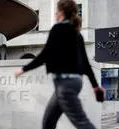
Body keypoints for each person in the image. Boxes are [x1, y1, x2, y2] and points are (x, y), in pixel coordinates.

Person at [14, 0, 105, 128]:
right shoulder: (77, 34)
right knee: (48, 122)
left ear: (61, 12)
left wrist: (23, 69)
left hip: (65, 84)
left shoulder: (58, 29)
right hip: (72, 83)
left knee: (82, 123)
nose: (55, 13)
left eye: (57, 11)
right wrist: (95, 86)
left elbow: (45, 55)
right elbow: (85, 63)